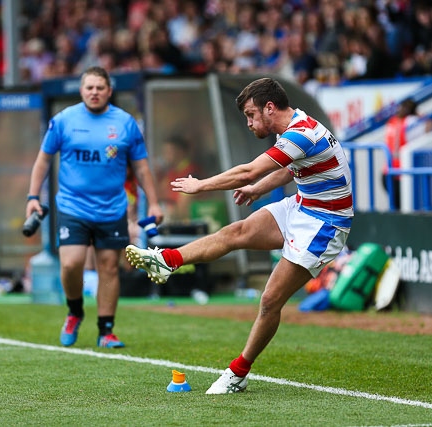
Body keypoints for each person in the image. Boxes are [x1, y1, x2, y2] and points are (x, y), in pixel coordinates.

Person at [125, 78, 353, 393]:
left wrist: (201, 184)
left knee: (271, 300)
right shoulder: (297, 126)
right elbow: (292, 169)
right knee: (237, 231)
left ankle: (238, 374)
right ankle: (167, 260)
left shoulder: (301, 133)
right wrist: (258, 189)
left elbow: (248, 171)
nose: (248, 123)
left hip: (325, 223)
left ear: (270, 107)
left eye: (250, 115)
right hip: (303, 205)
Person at [27, 66, 163, 348]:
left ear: (109, 91)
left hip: (112, 208)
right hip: (72, 206)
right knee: (71, 263)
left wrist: (154, 202)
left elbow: (141, 166)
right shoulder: (64, 120)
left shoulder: (125, 123)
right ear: (81, 90)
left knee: (109, 268)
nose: (94, 92)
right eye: (89, 87)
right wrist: (32, 198)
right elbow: (42, 160)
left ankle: (106, 330)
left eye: (100, 88)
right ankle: (75, 311)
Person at [382, 98, 419, 209]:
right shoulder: (409, 121)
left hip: (390, 171)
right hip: (397, 173)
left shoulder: (392, 121)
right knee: (402, 206)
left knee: (397, 207)